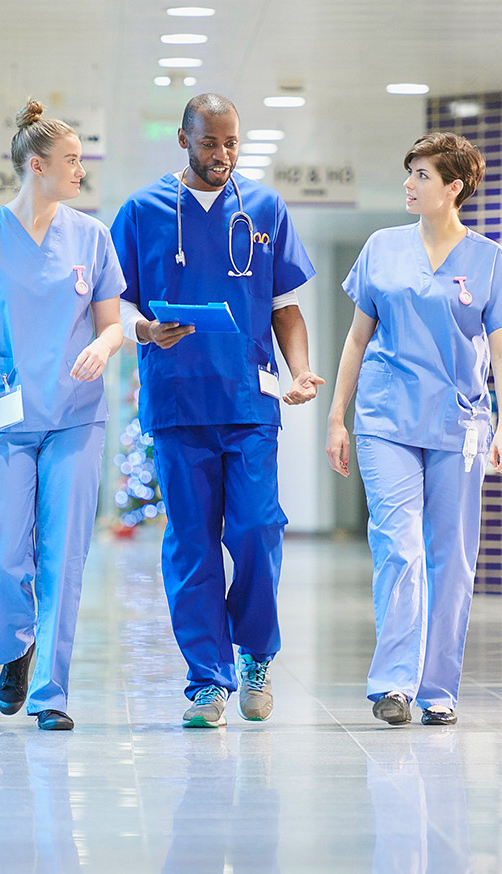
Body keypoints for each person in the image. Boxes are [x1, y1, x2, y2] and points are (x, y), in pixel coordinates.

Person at [110, 93, 321, 728]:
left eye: (232, 143)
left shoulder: (264, 208)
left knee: (257, 528)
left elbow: (285, 303)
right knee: (192, 544)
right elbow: (113, 306)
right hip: (177, 402)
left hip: (250, 399)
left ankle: (255, 653)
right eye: (210, 143)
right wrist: (145, 331)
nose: (223, 155)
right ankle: (207, 679)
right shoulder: (142, 211)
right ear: (182, 139)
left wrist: (301, 368)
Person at [324, 132, 502, 727]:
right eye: (409, 172)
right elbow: (357, 338)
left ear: (453, 188)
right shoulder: (383, 248)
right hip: (385, 419)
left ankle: (439, 687)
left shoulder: (486, 259)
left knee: (452, 557)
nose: (409, 184)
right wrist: (337, 417)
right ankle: (393, 684)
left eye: (422, 176)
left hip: (458, 424)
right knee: (399, 548)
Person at [0, 99, 124, 732]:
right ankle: (15, 645)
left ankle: (51, 693)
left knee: (63, 556)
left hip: (76, 416)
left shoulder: (92, 237)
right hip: (5, 416)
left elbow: (111, 325)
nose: (81, 171)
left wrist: (102, 347)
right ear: (36, 165)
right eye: (72, 160)